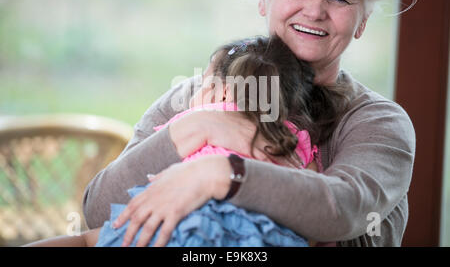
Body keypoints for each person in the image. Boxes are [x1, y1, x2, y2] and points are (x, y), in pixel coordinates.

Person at [83, 0, 416, 247]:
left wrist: (220, 173)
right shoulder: (196, 96)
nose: (315, 10)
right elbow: (98, 213)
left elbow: (341, 209)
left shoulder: (379, 122)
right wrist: (198, 126)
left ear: (362, 22)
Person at [25, 35, 345, 247]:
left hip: (177, 224)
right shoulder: (295, 139)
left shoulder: (193, 122)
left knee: (83, 241)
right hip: (256, 242)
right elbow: (311, 192)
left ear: (220, 93)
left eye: (202, 83)